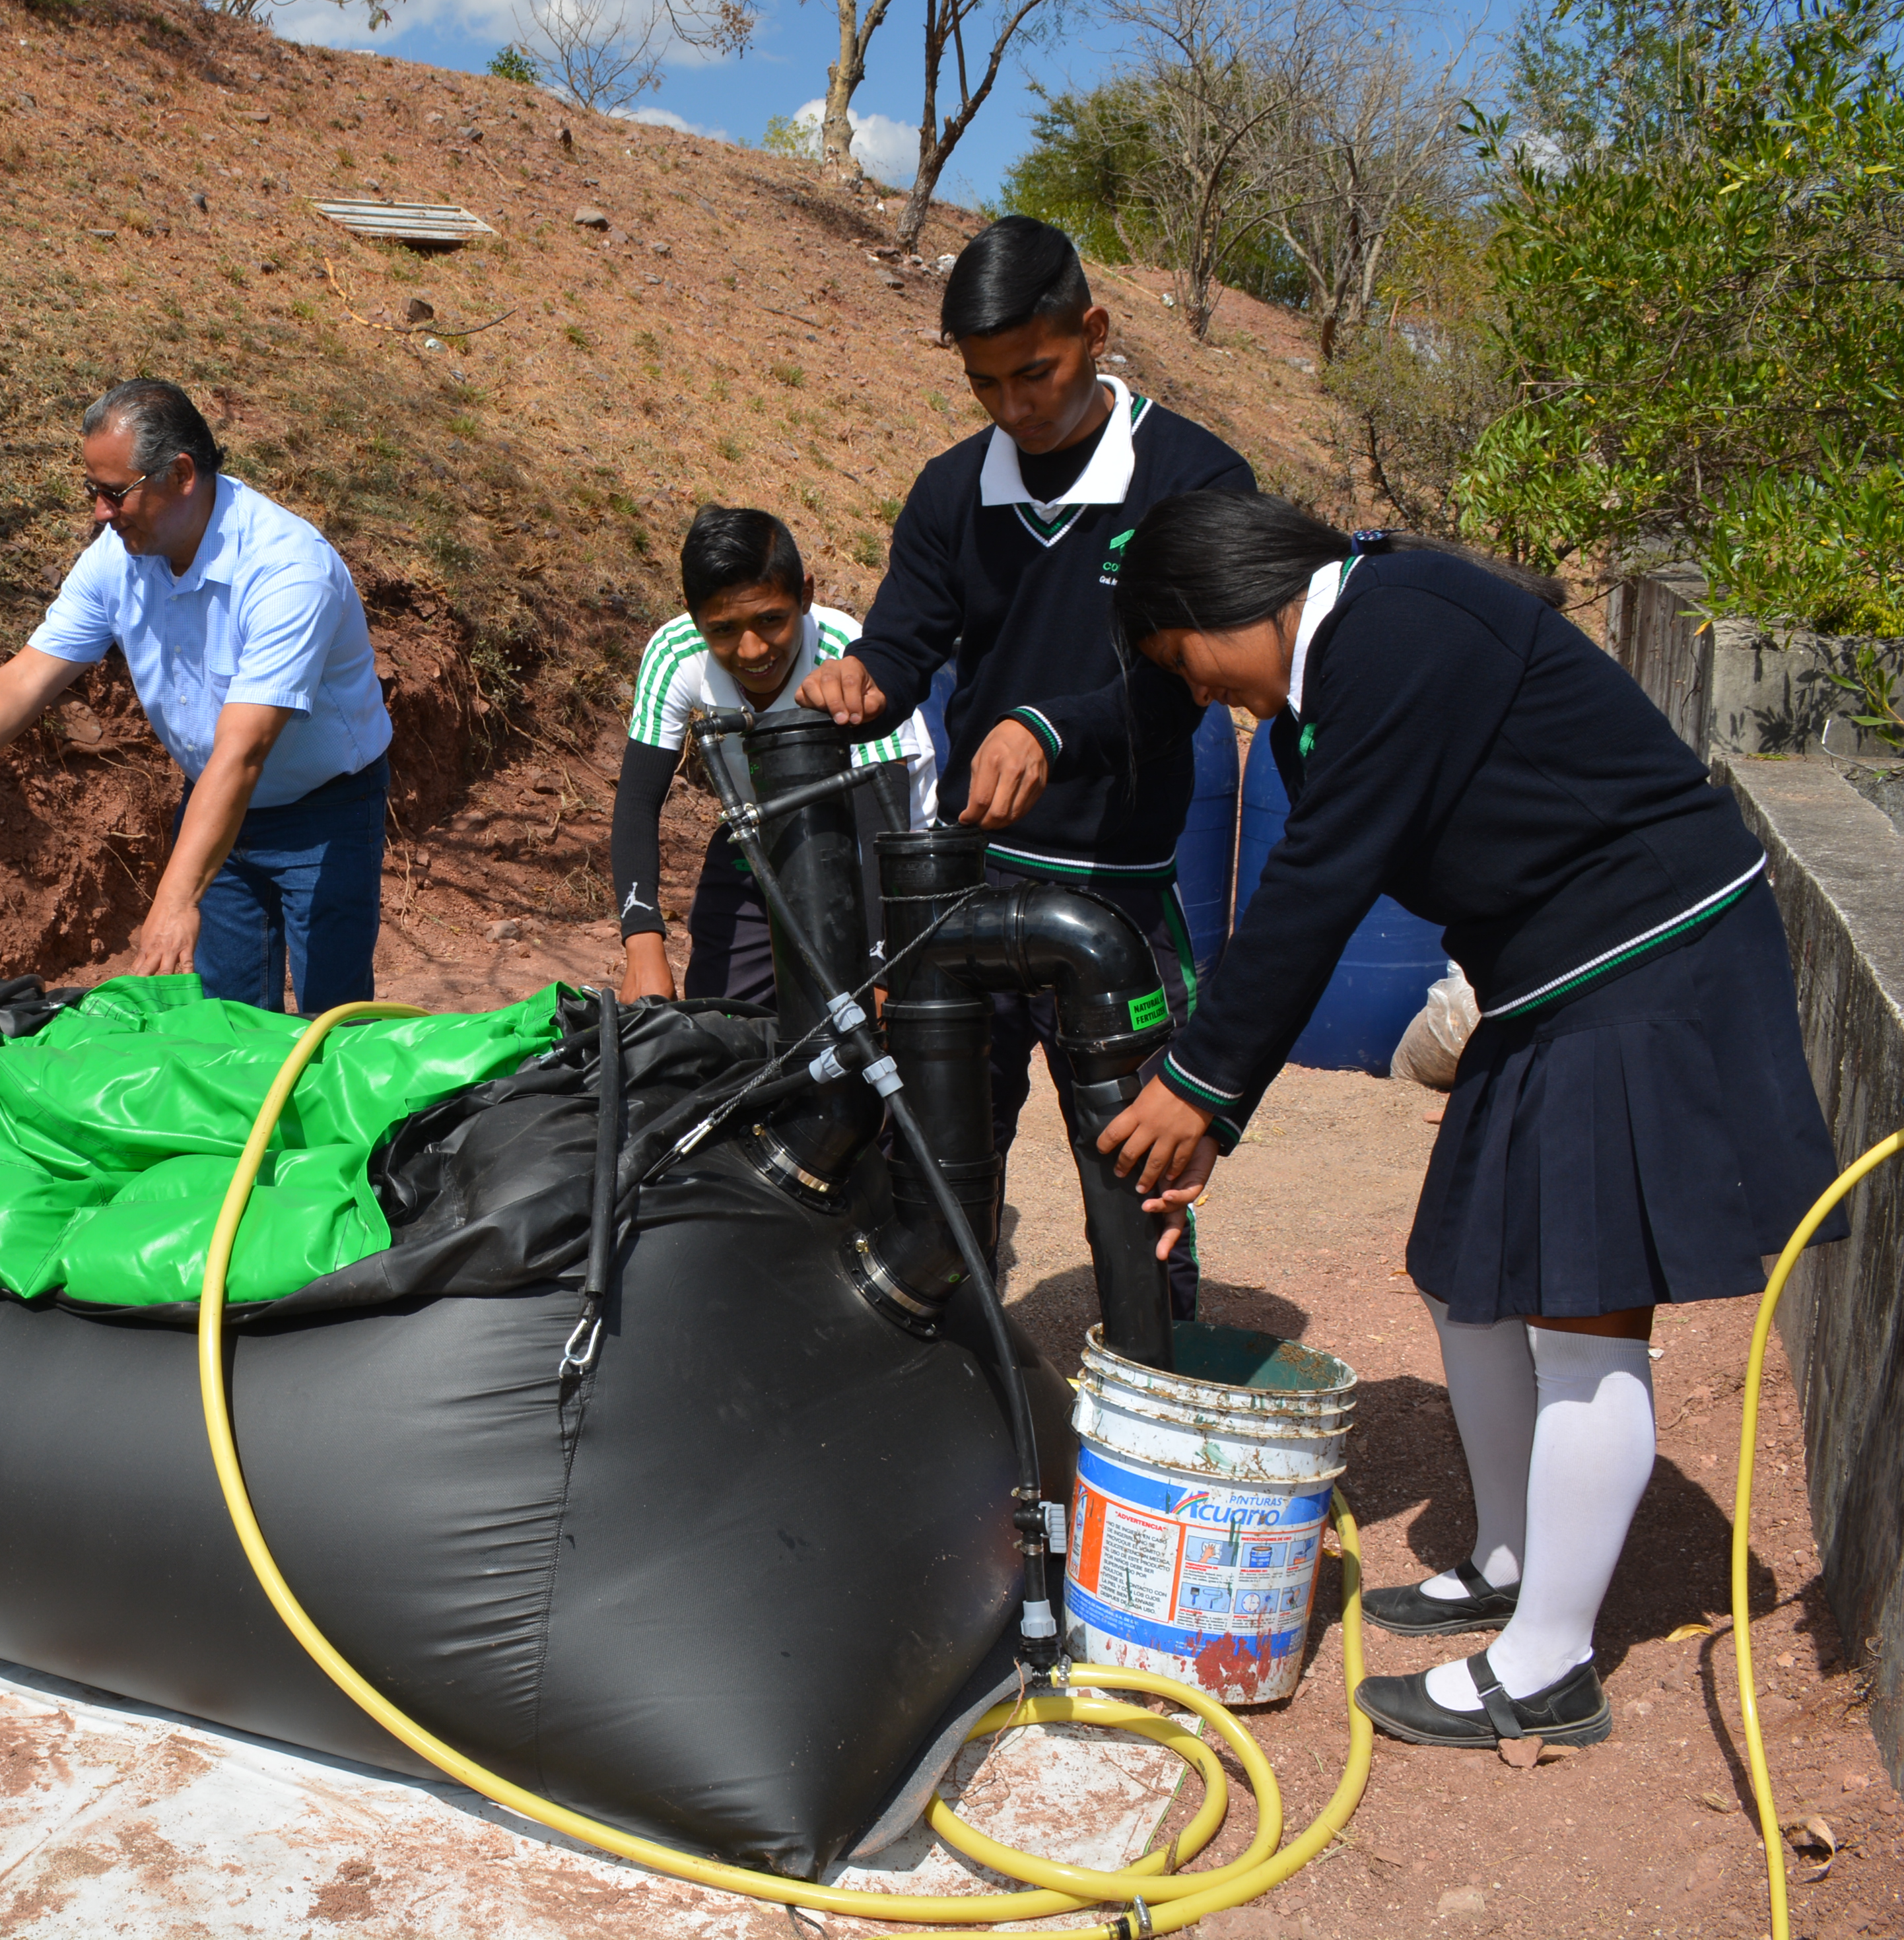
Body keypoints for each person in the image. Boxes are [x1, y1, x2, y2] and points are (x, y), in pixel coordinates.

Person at [1094, 490, 1846, 1753]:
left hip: (1641, 955)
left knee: (1583, 1316)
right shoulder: (1347, 654)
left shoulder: (1392, 630)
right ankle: (1510, 1556)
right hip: (1544, 970)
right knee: (1465, 1274)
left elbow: (1319, 881)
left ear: (1228, 605)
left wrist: (1202, 1089)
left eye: (1189, 661)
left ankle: (1549, 1669)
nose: (1208, 693)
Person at [796, 215, 1255, 1318]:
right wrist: (858, 681)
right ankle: (945, 1371)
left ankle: (1153, 1367)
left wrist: (1050, 729)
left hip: (1119, 887)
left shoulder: (1192, 476)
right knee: (940, 1159)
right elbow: (904, 647)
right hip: (973, 881)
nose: (1012, 407)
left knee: (1134, 1169)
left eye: (1035, 373)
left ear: (1093, 332)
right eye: (984, 383)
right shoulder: (952, 492)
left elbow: (1192, 680)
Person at [0, 379, 393, 1013]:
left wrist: (175, 899)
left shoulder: (288, 571)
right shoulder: (119, 558)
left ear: (181, 474)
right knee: (222, 1022)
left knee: (333, 1022)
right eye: (91, 490)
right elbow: (26, 678)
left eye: (115, 492)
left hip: (325, 812)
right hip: (214, 805)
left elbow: (244, 753)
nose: (100, 511)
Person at [610, 507, 933, 1004]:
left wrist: (880, 966)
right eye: (723, 629)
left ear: (805, 595)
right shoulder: (674, 654)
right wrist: (642, 942)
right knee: (718, 1020)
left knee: (870, 1021)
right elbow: (637, 801)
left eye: (770, 620)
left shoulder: (846, 652)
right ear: (693, 614)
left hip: (877, 848)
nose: (753, 650)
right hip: (761, 833)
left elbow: (882, 813)